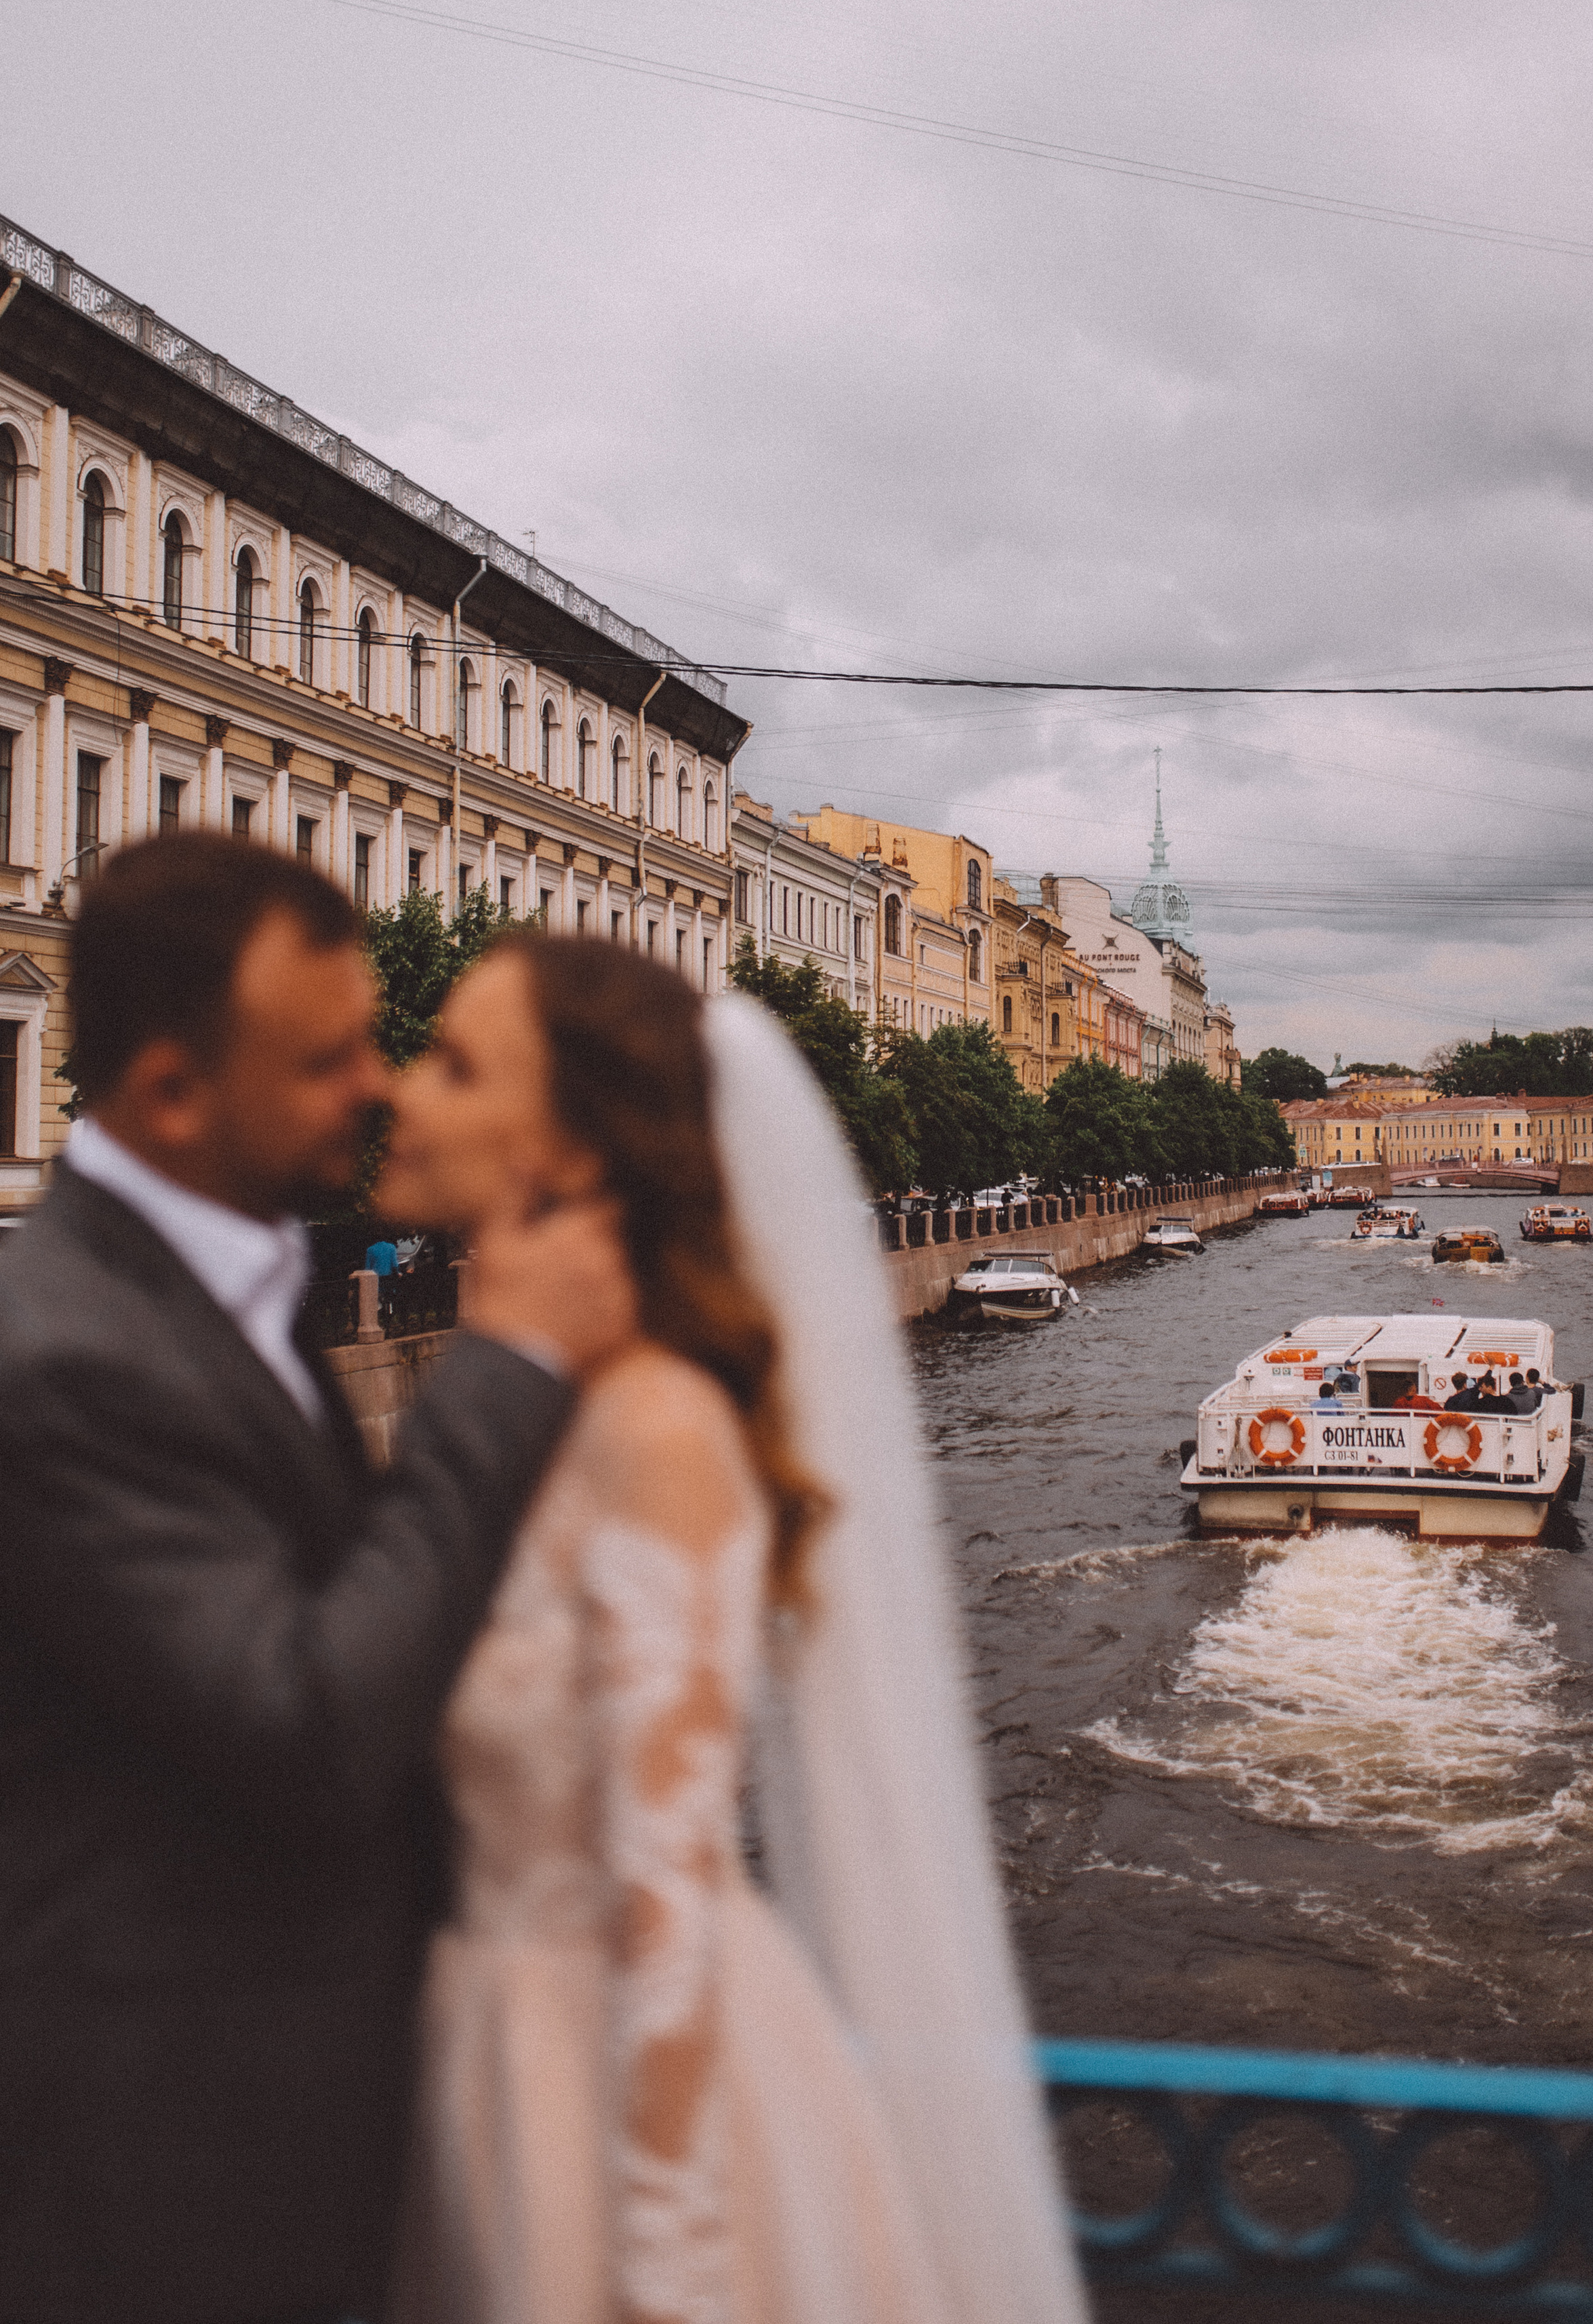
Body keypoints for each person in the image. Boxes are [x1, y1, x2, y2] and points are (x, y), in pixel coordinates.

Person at [381, 936, 1087, 2324]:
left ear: (571, 1146)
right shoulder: (540, 1402)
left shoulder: (655, 1428)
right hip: (497, 2066)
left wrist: (662, 2263)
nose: (406, 1089)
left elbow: (664, 1898)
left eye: (457, 1062)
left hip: (625, 2098)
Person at [0, 837, 637, 2324]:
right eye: (329, 1054)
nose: (378, 1083)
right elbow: (307, 1728)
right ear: (169, 1091)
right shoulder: (60, 1357)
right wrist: (505, 1364)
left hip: (309, 2141)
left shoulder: (216, 1278)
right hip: (158, 2194)